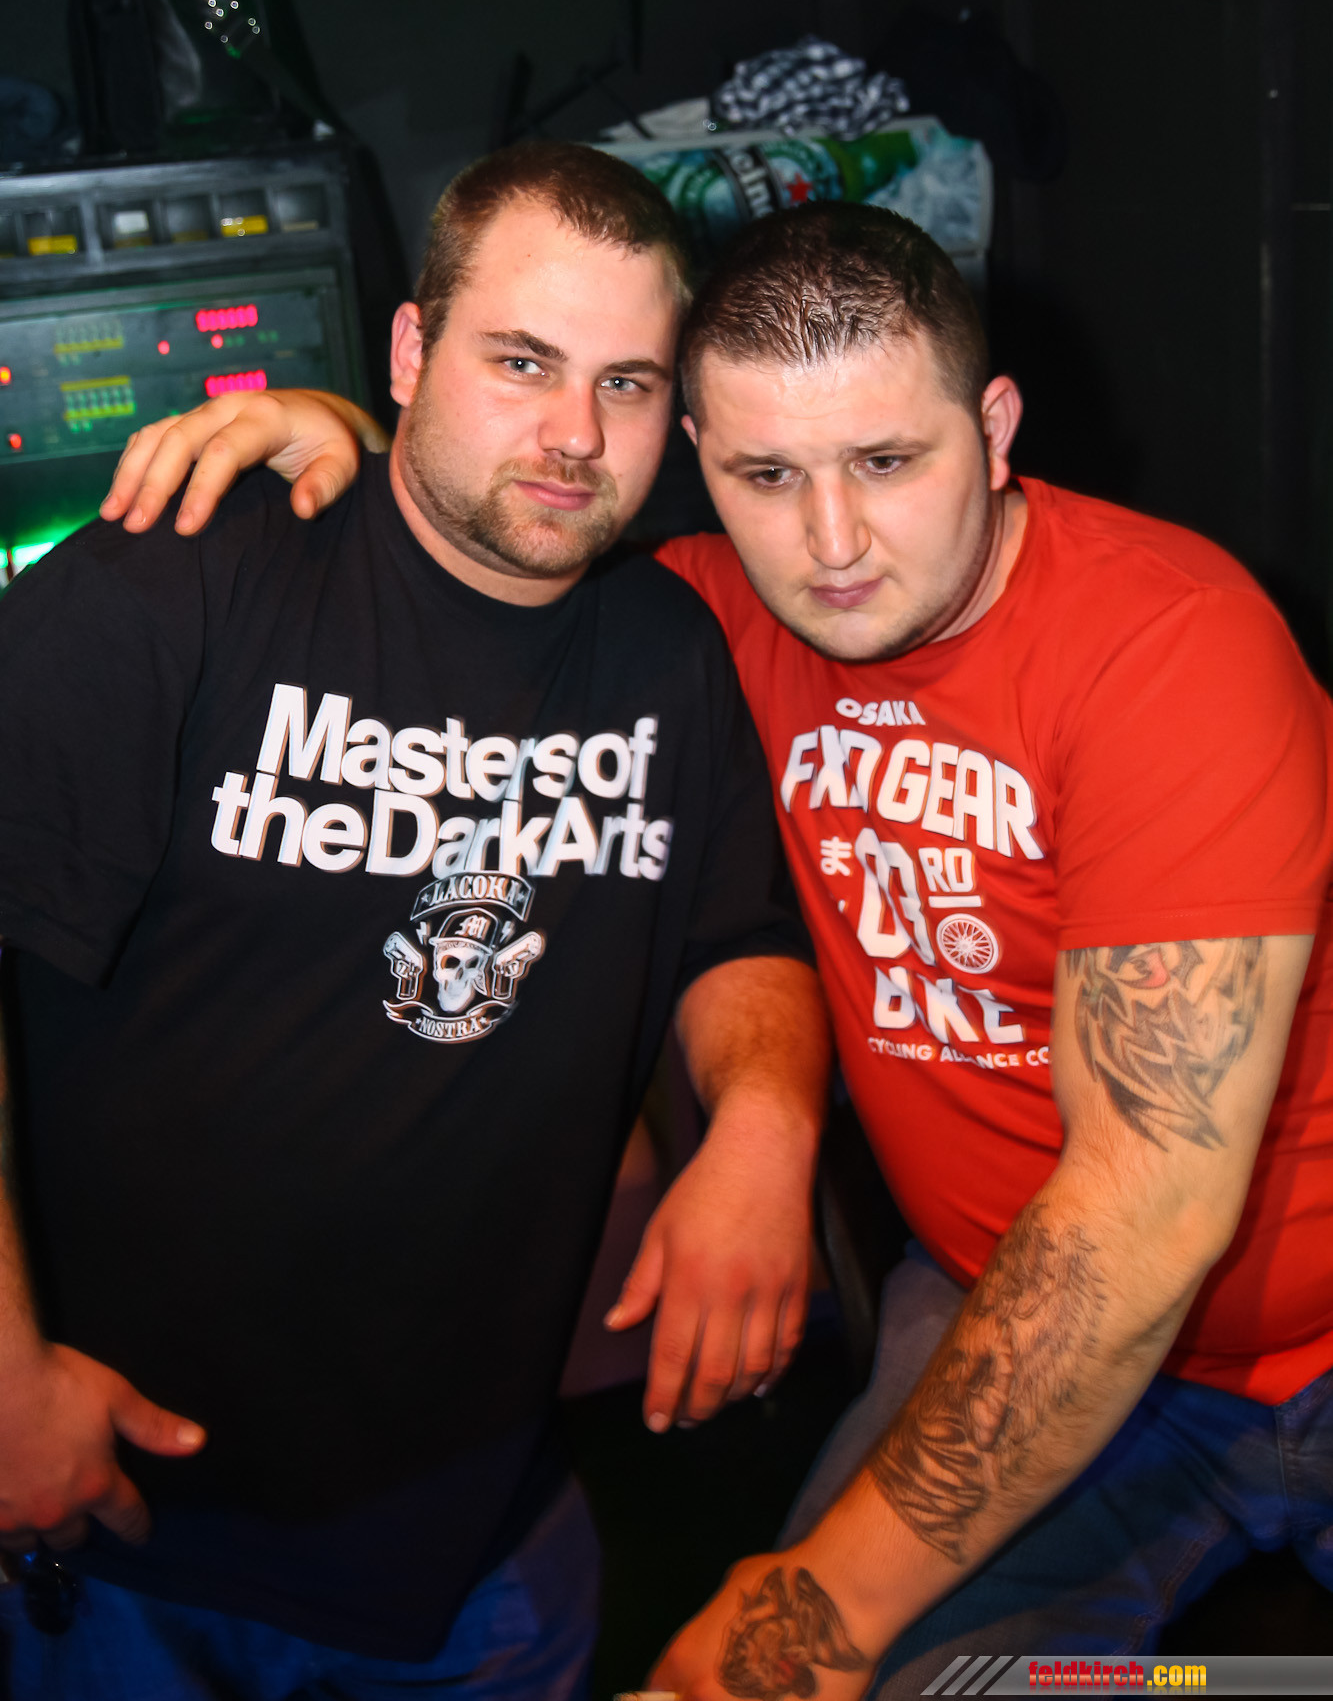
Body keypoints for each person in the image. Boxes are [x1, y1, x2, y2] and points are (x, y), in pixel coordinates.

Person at [123, 196, 1333, 1695]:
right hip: (1003, 1294)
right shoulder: (697, 624)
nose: (831, 543)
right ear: (697, 458)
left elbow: (1143, 1205)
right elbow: (476, 546)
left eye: (886, 462)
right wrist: (350, 447)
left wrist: (822, 1604)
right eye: (767, 475)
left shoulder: (1171, 643)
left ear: (993, 429)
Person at [0, 142, 833, 1701]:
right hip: (127, 1521)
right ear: (407, 351)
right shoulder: (181, 575)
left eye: (627, 384)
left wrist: (766, 1130)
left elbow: (734, 930)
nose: (573, 435)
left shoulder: (665, 650)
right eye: (520, 362)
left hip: (475, 1538)